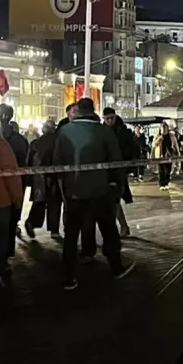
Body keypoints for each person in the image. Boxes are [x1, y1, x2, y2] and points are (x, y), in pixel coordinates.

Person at [52, 98, 136, 290]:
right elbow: (116, 161)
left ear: (78, 111)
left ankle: (69, 276)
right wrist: (117, 185)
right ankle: (116, 267)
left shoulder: (64, 131)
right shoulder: (103, 131)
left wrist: (63, 187)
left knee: (71, 235)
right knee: (108, 229)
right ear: (93, 110)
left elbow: (57, 162)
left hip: (73, 192)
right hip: (100, 190)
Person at [0, 116, 24, 291]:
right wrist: (17, 198)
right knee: (0, 237)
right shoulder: (2, 147)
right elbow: (12, 177)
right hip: (1, 201)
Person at [0, 104, 29, 254]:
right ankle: (6, 256)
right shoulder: (19, 140)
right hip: (12, 189)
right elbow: (24, 165)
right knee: (9, 224)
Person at [24, 120, 62, 239]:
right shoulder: (58, 142)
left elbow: (29, 161)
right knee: (54, 203)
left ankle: (32, 222)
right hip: (55, 177)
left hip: (38, 177)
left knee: (39, 202)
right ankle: (54, 230)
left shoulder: (36, 143)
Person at [102, 108, 135, 237]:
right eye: (107, 118)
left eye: (111, 118)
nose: (110, 121)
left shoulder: (123, 131)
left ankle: (122, 226)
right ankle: (122, 226)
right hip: (106, 170)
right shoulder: (102, 131)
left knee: (114, 200)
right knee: (111, 201)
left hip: (119, 171)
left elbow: (130, 149)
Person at [153, 122, 179, 191]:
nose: (164, 129)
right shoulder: (158, 135)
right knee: (161, 171)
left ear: (167, 128)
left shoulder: (171, 136)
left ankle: (166, 183)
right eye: (162, 128)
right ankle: (162, 184)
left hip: (169, 156)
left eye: (165, 128)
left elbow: (176, 145)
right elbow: (153, 145)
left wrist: (178, 154)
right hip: (160, 156)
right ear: (160, 129)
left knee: (168, 171)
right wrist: (158, 140)